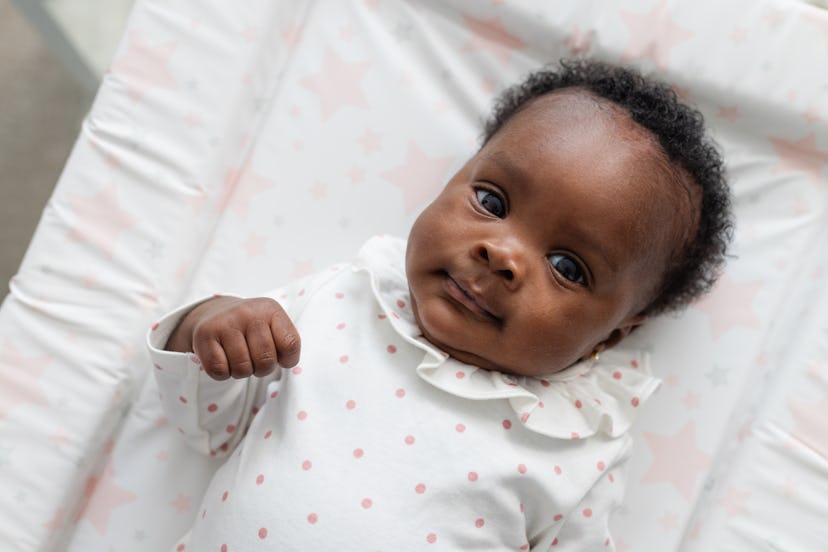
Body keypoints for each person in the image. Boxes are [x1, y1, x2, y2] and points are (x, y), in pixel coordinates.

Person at [148, 59, 732, 550]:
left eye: (568, 267)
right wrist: (210, 328)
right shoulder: (341, 305)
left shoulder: (576, 457)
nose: (503, 255)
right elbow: (208, 427)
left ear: (610, 337)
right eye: (491, 200)